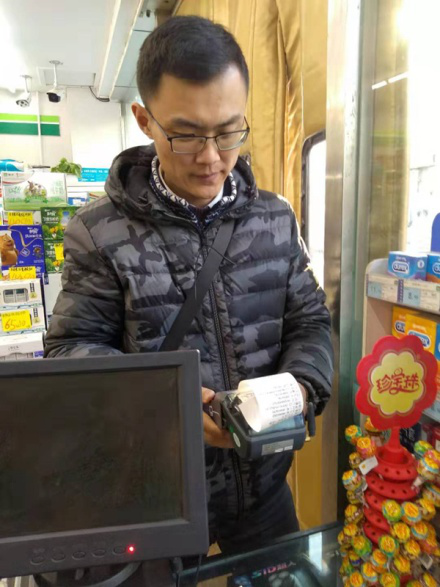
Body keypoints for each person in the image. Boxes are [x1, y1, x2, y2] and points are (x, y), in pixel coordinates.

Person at [45, 15, 333, 553]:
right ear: (144, 120)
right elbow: (71, 350)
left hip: (265, 491)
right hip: (158, 493)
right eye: (186, 134)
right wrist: (170, 403)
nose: (211, 157)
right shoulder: (99, 231)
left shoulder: (274, 218)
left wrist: (302, 386)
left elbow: (311, 321)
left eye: (228, 131)